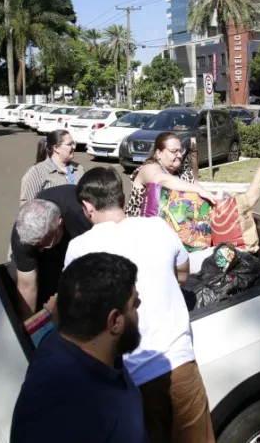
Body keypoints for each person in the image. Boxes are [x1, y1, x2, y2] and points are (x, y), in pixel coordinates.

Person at [65, 167, 214, 443]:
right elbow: (182, 272)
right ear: (121, 197)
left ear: (88, 206)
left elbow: (78, 313)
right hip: (180, 366)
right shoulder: (158, 226)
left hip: (129, 381)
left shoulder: (78, 248)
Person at [11, 253, 146, 443]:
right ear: (114, 321)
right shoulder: (61, 405)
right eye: (135, 304)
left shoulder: (94, 353)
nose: (138, 311)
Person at [11, 185, 93, 317]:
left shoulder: (82, 213)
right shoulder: (22, 234)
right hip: (50, 266)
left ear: (60, 225)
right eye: (35, 246)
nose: (40, 250)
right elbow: (27, 286)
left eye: (44, 244)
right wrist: (28, 328)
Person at [125, 132, 216, 217]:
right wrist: (198, 190)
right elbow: (161, 180)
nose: (179, 155)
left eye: (180, 150)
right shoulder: (149, 168)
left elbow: (202, 193)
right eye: (174, 151)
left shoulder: (183, 174)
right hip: (139, 229)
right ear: (158, 153)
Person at [20, 129, 85, 205]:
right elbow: (27, 205)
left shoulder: (79, 169)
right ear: (56, 148)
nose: (73, 147)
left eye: (73, 143)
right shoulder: (37, 172)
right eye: (69, 144)